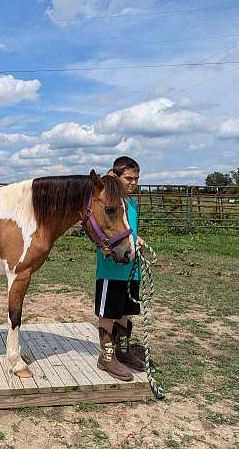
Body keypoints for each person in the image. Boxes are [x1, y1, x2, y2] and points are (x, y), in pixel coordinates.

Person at [95, 156, 145, 381]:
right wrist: (102, 247)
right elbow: (100, 231)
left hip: (132, 268)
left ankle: (122, 351)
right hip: (111, 269)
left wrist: (138, 240)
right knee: (108, 313)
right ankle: (106, 357)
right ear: (115, 177)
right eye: (128, 178)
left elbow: (127, 231)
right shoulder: (110, 203)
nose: (133, 182)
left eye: (136, 178)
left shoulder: (131, 204)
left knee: (125, 311)